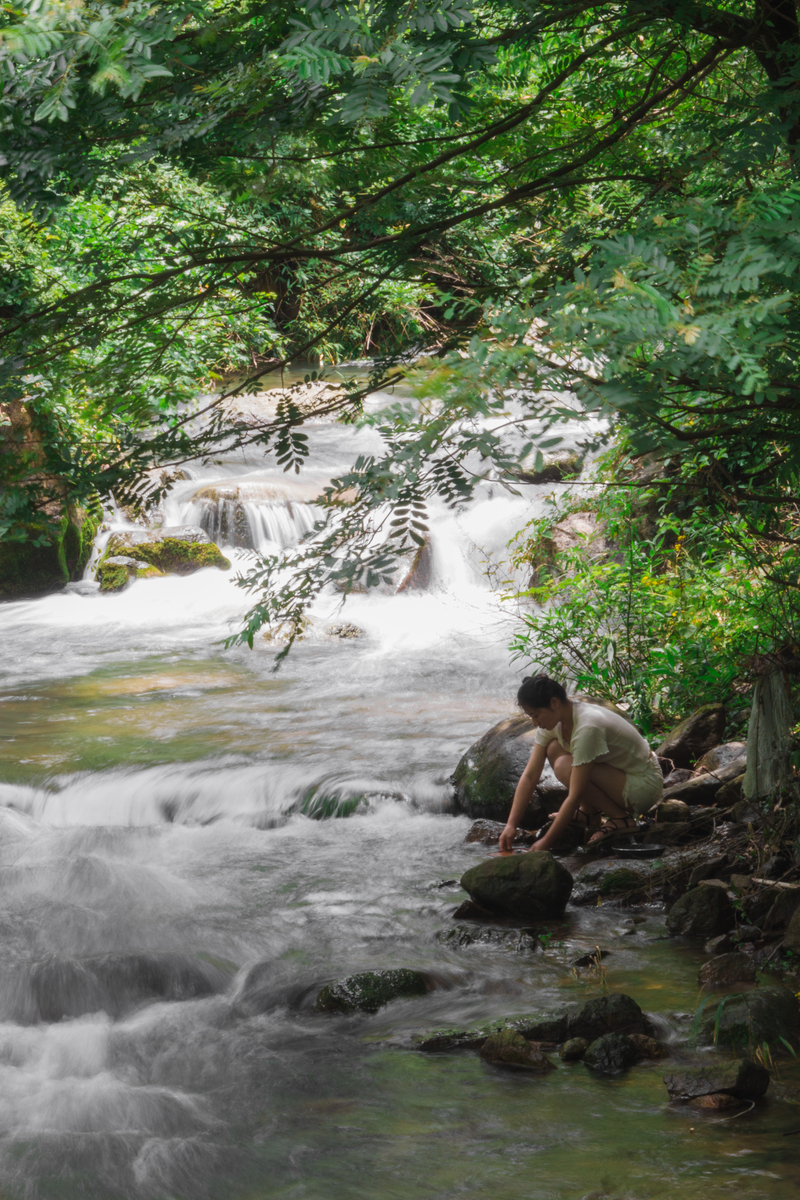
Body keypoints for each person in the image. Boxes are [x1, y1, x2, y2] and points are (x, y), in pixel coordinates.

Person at [499, 675, 663, 853]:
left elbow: (575, 794)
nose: (535, 722)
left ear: (554, 703)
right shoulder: (557, 719)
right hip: (619, 777)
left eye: (536, 715)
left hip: (643, 786)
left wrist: (545, 842)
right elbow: (530, 775)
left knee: (565, 766)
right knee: (553, 748)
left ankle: (620, 819)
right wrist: (511, 825)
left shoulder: (587, 727)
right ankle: (589, 813)